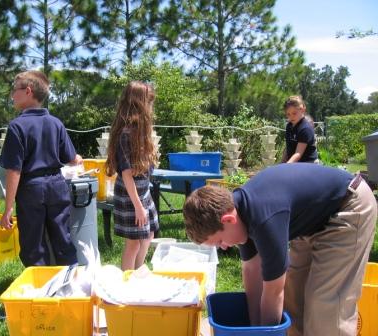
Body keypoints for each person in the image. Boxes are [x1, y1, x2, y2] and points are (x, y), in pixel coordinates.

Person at [183, 163, 377, 335]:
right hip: (310, 221)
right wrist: (255, 328)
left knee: (325, 304)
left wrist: (266, 333)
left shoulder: (264, 218)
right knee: (293, 298)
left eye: (219, 242)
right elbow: (252, 275)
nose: (224, 247)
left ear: (228, 220)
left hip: (348, 207)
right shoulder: (239, 213)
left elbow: (273, 291)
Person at [0, 70, 83, 267]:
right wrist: (78, 159)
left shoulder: (17, 126)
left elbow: (14, 170)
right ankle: (71, 285)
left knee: (33, 244)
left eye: (15, 89)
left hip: (31, 190)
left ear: (28, 91)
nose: (12, 94)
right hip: (57, 185)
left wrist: (8, 207)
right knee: (63, 239)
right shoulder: (56, 123)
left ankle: (39, 290)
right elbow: (71, 159)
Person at [105, 81, 159, 271]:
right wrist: (138, 207)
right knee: (133, 242)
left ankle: (138, 272)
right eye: (149, 103)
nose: (151, 107)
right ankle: (127, 281)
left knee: (149, 234)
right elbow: (126, 175)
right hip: (131, 196)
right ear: (139, 104)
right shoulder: (125, 135)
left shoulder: (139, 131)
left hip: (143, 192)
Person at [281, 95, 318, 163]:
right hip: (295, 164)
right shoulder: (289, 126)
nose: (291, 117)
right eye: (288, 114)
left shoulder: (305, 128)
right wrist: (281, 163)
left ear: (302, 110)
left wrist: (286, 166)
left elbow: (298, 154)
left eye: (294, 113)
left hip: (309, 164)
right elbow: (287, 148)